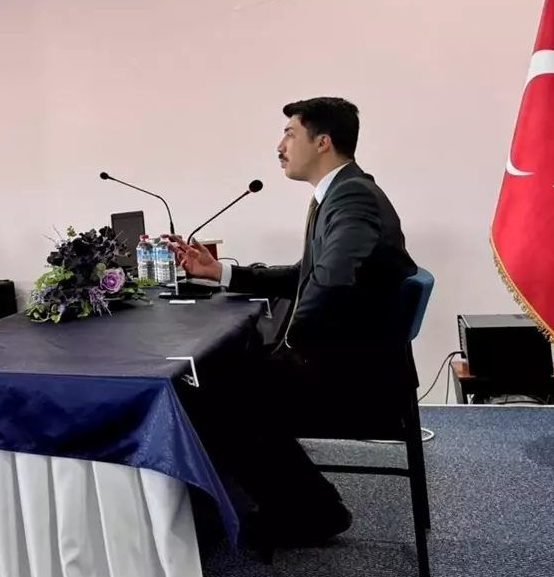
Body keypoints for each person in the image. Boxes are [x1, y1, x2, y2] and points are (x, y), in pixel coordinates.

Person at [169, 97, 417, 547]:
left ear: (322, 142)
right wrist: (220, 273)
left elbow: (334, 282)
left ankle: (308, 512)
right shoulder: (341, 192)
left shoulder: (353, 196)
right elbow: (308, 274)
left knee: (207, 389)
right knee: (221, 375)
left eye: (289, 134)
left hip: (355, 376)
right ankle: (305, 502)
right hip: (353, 356)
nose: (280, 146)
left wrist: (289, 348)